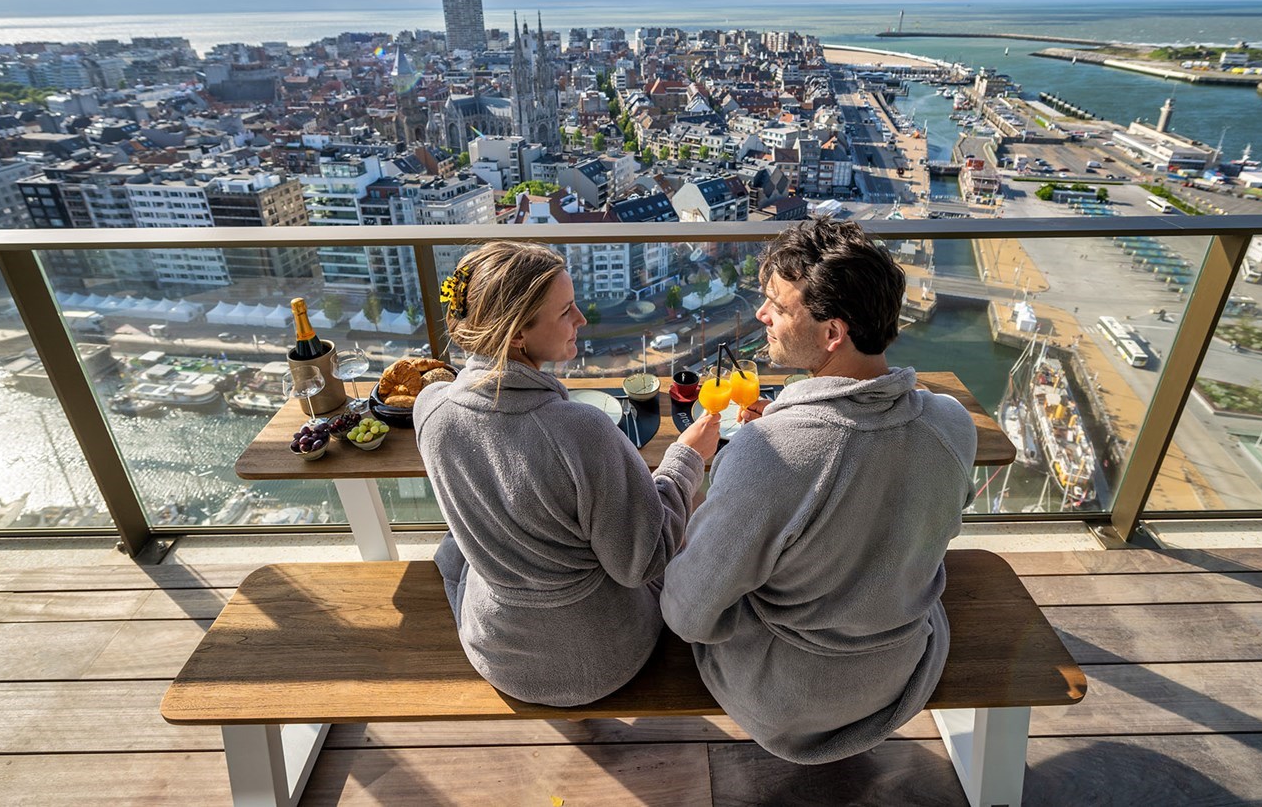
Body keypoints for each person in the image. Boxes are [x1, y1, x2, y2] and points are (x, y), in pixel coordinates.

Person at [661, 218, 977, 764]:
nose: (762, 315)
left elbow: (688, 615)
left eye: (778, 308)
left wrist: (748, 464)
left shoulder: (767, 453)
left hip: (788, 699)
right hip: (899, 670)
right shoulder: (951, 424)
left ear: (833, 333)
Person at [414, 241, 722, 706]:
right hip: (602, 658)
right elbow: (643, 561)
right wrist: (685, 460)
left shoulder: (431, 410)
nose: (581, 319)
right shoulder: (581, 430)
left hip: (497, 653)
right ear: (518, 334)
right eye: (566, 311)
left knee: (453, 549)